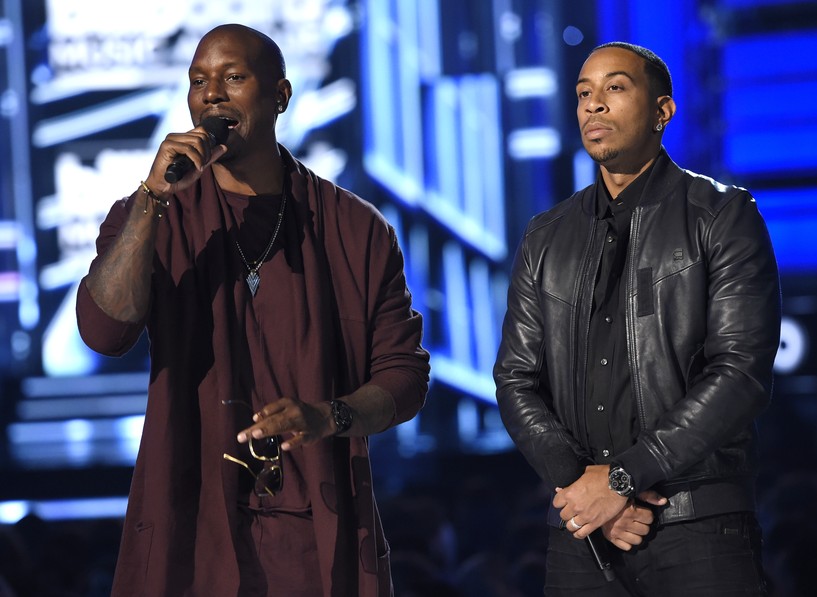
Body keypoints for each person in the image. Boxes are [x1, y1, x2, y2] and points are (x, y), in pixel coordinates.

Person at [76, 23, 430, 596]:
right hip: (190, 533)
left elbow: (405, 376)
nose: (211, 93)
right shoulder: (150, 215)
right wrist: (152, 201)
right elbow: (103, 330)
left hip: (315, 536)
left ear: (280, 97)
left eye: (233, 77)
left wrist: (328, 417)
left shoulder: (355, 228)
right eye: (198, 80)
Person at [493, 41, 781, 595]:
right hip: (583, 530)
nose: (593, 106)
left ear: (663, 110)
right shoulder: (545, 237)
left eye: (615, 88)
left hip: (697, 525)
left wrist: (624, 478)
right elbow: (515, 379)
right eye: (583, 94)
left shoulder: (721, 214)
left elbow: (741, 372)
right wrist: (584, 488)